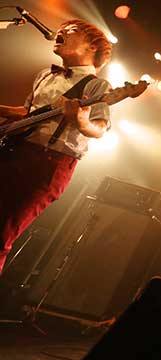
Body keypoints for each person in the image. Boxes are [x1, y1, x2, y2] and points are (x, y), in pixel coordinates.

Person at [0, 19, 113, 274]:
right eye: (62, 29)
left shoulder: (98, 86)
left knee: (2, 232)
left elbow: (100, 128)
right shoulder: (45, 74)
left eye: (71, 31)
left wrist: (81, 120)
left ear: (92, 47)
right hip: (15, 151)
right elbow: (28, 113)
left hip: (49, 163)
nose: (61, 32)